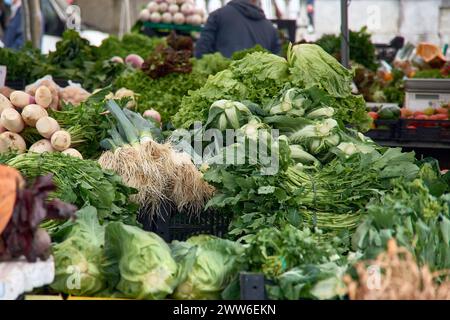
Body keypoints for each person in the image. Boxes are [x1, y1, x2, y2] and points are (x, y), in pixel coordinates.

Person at [195, 0, 281, 58]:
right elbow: (277, 61)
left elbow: (201, 52)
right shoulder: (271, 28)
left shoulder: (218, 16)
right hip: (260, 84)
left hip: (223, 83)